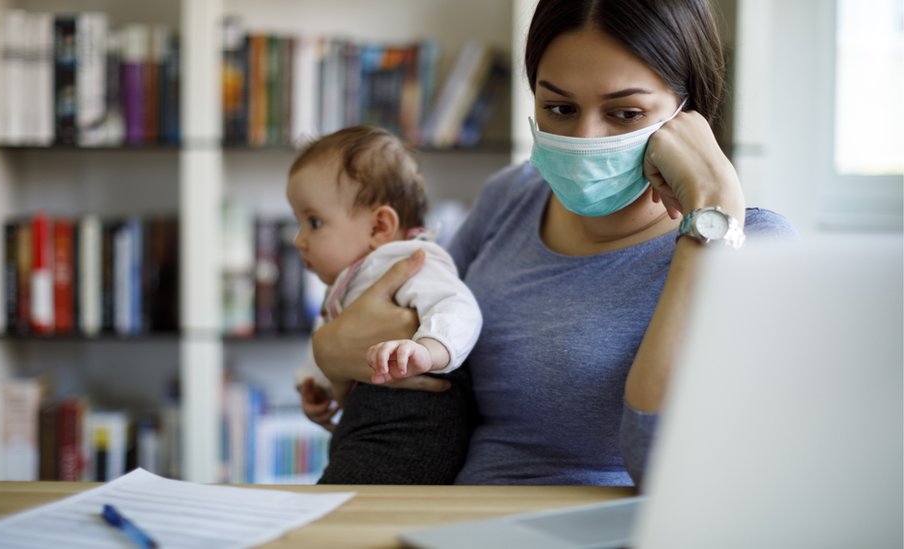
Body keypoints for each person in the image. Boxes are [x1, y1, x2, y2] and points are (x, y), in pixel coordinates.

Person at [305, 0, 799, 487]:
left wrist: (710, 213)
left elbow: (664, 469)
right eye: (559, 108)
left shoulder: (753, 246)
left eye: (625, 113)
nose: (585, 137)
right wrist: (329, 353)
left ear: (690, 113)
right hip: (453, 521)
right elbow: (410, 357)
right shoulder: (511, 197)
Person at [287, 125, 482, 484]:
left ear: (380, 226)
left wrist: (429, 350)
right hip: (368, 424)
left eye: (314, 222)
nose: (299, 240)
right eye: (298, 222)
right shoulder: (351, 279)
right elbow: (333, 336)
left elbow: (459, 306)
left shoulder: (409, 261)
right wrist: (314, 383)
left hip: (414, 427)